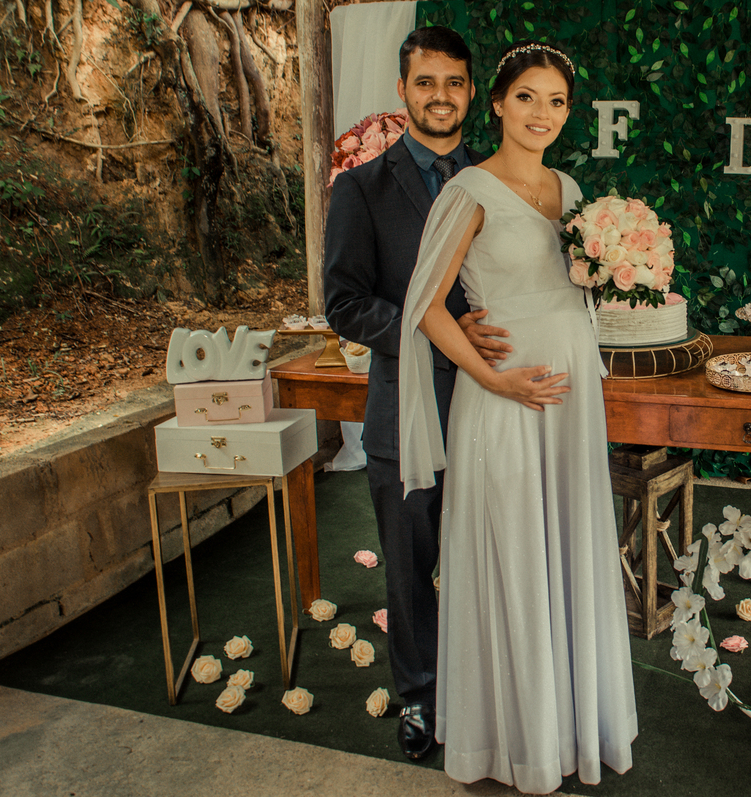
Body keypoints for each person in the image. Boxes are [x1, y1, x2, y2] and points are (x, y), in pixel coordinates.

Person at [399, 41, 638, 793]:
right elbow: (427, 307)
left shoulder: (571, 190)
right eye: (527, 97)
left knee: (566, 545)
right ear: (497, 103)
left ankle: (571, 727)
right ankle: (515, 740)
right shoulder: (469, 190)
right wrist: (494, 378)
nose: (542, 113)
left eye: (557, 101)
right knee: (514, 553)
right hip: (502, 402)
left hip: (570, 405)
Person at [322, 26, 511, 761]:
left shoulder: (499, 178)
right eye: (425, 82)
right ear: (402, 89)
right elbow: (344, 303)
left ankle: (488, 687)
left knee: (490, 556)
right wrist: (438, 333)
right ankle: (421, 695)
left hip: (494, 408)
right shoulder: (361, 188)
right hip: (405, 409)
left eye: (454, 82)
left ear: (473, 92)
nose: (440, 96)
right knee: (409, 564)